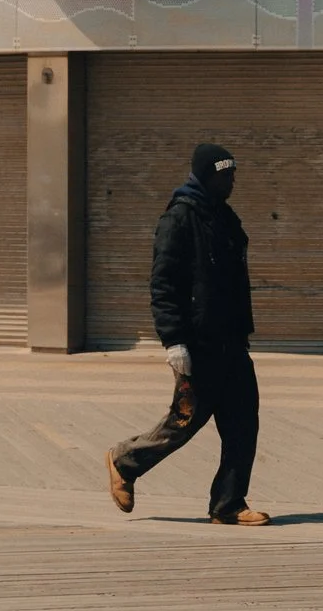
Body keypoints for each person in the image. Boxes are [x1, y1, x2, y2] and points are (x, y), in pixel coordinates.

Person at [105, 143, 268, 525]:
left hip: (232, 342)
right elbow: (164, 285)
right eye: (224, 175)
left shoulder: (226, 218)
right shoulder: (179, 219)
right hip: (199, 344)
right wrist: (174, 341)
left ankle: (228, 505)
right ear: (205, 176)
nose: (231, 182)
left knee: (244, 425)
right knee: (184, 421)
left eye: (232, 174)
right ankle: (124, 461)